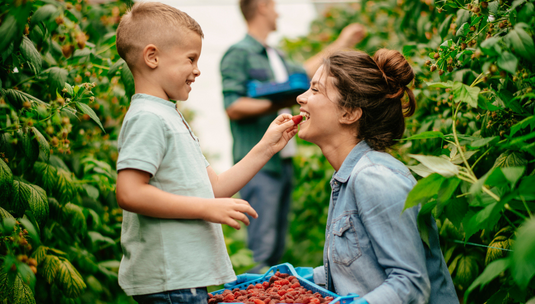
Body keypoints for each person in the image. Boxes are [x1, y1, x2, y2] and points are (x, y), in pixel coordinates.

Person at [114, 2, 299, 303]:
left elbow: (213, 189)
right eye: (190, 59)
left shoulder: (169, 116)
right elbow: (130, 193)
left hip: (184, 279)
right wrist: (206, 209)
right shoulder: (147, 117)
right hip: (170, 281)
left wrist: (267, 146)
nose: (197, 70)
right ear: (152, 57)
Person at [296, 49, 459, 303]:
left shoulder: (375, 178)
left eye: (315, 90)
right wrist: (294, 279)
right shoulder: (347, 178)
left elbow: (411, 284)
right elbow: (359, 270)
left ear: (348, 113)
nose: (301, 98)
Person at [220, 0, 366, 273]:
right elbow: (233, 106)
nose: (278, 12)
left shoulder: (274, 54)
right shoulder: (238, 54)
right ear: (262, 6)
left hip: (282, 161)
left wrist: (341, 41)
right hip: (259, 165)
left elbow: (307, 72)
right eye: (274, 6)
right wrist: (280, 102)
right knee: (261, 249)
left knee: (275, 247)